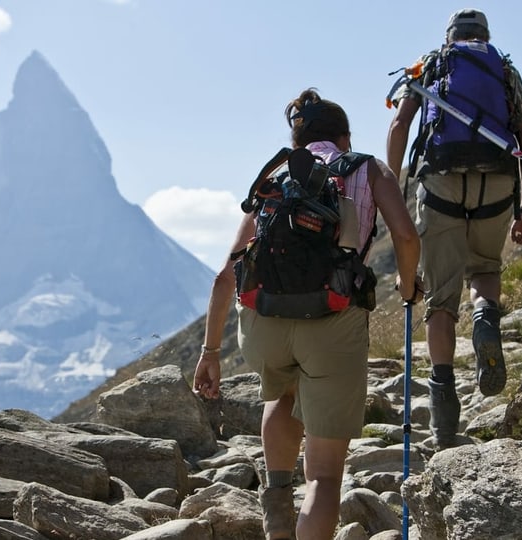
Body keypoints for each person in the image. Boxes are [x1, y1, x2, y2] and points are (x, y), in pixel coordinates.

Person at [194, 88, 421, 540]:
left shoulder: (276, 176)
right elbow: (408, 238)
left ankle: (277, 510)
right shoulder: (368, 168)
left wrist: (210, 351)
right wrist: (409, 284)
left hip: (264, 325)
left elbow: (227, 274)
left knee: (280, 394)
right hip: (333, 322)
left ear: (297, 142)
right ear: (345, 136)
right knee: (324, 478)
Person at [386, 8, 522, 449]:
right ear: (485, 36)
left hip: (441, 182)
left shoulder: (433, 64)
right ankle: (486, 317)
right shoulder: (504, 69)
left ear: (450, 36)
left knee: (440, 298)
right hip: (497, 178)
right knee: (485, 269)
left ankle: (444, 414)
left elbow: (399, 125)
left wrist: (394, 187)